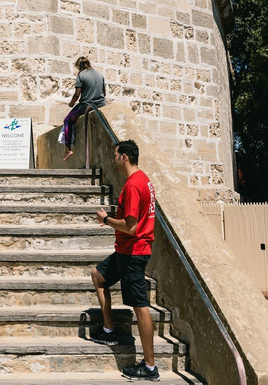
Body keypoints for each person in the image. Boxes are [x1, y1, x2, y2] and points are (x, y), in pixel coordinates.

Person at [91, 140, 159, 381]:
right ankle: (109, 330)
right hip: (127, 251)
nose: (113, 159)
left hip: (133, 252)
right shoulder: (145, 181)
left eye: (115, 155)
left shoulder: (132, 186)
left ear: (124, 158)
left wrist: (105, 219)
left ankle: (149, 367)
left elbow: (130, 227)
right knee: (98, 276)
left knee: (140, 307)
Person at [62, 56, 106, 162]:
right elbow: (104, 93)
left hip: (86, 105)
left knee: (67, 120)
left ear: (79, 66)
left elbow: (77, 94)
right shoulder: (100, 75)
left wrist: (71, 103)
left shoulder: (81, 75)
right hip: (100, 105)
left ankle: (68, 149)